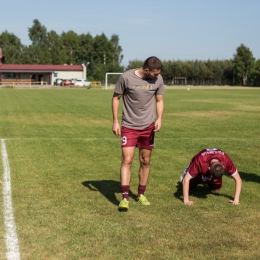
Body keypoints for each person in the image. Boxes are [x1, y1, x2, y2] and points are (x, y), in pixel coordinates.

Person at [112, 56, 165, 210]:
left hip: (148, 127)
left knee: (145, 161)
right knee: (127, 160)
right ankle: (124, 198)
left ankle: (141, 194)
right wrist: (115, 121)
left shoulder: (158, 79)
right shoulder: (126, 77)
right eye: (155, 74)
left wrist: (159, 118)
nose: (157, 76)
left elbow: (160, 100)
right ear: (146, 70)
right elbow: (116, 98)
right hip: (129, 125)